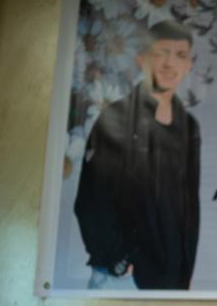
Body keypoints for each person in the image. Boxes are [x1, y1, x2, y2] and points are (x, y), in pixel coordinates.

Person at [75, 20, 201, 290]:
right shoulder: (116, 118)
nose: (170, 64)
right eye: (161, 53)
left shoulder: (188, 128)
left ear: (189, 65)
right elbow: (90, 200)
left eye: (180, 55)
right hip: (122, 279)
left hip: (171, 282)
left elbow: (189, 209)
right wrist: (117, 261)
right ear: (141, 59)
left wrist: (185, 271)